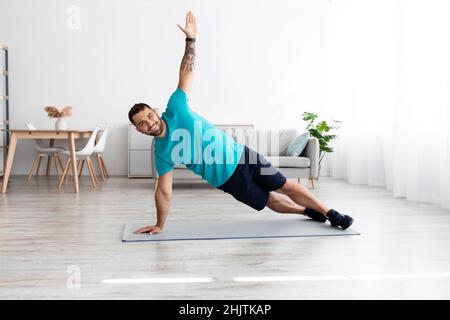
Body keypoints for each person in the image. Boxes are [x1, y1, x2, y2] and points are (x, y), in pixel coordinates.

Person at [128, 11, 353, 235]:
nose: (149, 123)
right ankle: (305, 211)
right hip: (227, 180)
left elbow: (187, 71)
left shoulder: (176, 107)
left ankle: (330, 213)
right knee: (269, 201)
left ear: (154, 113)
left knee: (284, 185)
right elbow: (164, 191)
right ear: (139, 130)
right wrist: (160, 224)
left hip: (243, 157)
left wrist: (191, 40)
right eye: (142, 124)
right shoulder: (161, 152)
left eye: (149, 116)